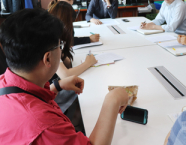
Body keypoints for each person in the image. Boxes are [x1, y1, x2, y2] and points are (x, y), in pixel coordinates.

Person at [0, 8, 128, 144]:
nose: (61, 49)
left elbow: (26, 99)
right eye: (59, 45)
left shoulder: (5, 81)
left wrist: (56, 86)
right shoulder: (46, 125)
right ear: (47, 58)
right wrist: (112, 100)